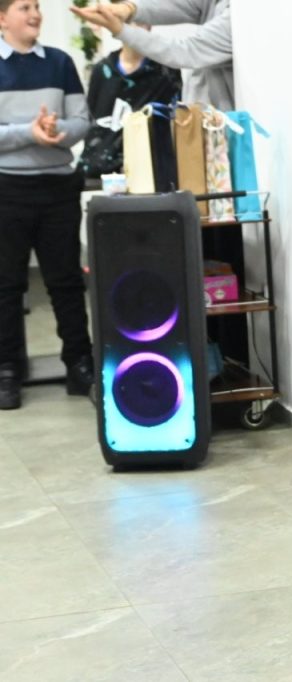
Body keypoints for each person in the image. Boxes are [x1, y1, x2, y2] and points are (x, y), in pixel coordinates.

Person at [0, 0, 92, 410]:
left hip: (58, 189)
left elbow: (82, 121)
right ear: (2, 18)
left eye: (37, 6)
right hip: (6, 189)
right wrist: (29, 132)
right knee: (6, 285)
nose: (35, 14)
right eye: (24, 7)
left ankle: (80, 363)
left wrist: (57, 130)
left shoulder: (60, 62)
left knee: (66, 281)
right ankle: (6, 370)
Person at [71, 0, 233, 110]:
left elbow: (186, 51)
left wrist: (120, 29)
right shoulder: (102, 69)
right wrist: (129, 9)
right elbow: (180, 5)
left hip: (227, 124)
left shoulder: (238, 16)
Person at [78, 36, 181, 179]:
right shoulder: (102, 70)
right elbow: (93, 120)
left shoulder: (166, 72)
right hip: (103, 170)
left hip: (152, 170)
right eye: (130, 24)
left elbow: (176, 122)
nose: (136, 29)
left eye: (142, 23)